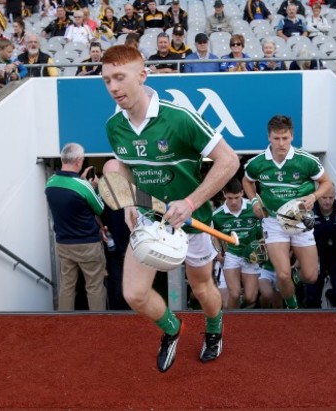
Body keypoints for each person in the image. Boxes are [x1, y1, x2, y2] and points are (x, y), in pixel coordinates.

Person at [100, 44, 239, 372]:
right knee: (134, 294)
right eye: (106, 80)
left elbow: (229, 160)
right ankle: (173, 329)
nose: (113, 87)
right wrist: (128, 203)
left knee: (203, 288)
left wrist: (191, 201)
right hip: (149, 220)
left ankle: (215, 329)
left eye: (119, 77)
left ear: (142, 75)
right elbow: (124, 166)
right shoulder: (113, 126)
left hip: (192, 222)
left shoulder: (179, 118)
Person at [243, 115, 333, 309]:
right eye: (276, 138)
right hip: (273, 221)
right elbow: (247, 181)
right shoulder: (257, 163)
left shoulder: (306, 161)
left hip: (300, 220)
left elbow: (327, 183)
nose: (281, 143)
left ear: (292, 136)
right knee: (282, 274)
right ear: (269, 137)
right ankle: (292, 308)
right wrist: (253, 201)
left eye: (285, 138)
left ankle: (294, 278)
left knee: (310, 276)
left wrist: (314, 197)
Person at [45, 143, 108, 311]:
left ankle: (64, 324)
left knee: (67, 286)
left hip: (64, 244)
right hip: (88, 244)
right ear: (79, 161)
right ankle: (98, 325)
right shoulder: (84, 186)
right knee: (94, 287)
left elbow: (70, 192)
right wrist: (94, 188)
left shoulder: (50, 183)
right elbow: (99, 208)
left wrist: (81, 182)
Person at [304, 184, 336, 309]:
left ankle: (329, 296)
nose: (328, 201)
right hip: (316, 257)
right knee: (312, 299)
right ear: (318, 196)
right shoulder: (309, 213)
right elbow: (301, 235)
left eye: (331, 198)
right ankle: (317, 324)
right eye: (324, 198)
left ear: (335, 196)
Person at [211, 179, 262, 309]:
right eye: (230, 198)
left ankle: (240, 315)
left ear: (242, 193)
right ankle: (231, 324)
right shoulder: (217, 215)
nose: (233, 201)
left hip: (251, 255)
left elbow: (266, 229)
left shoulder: (254, 208)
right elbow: (214, 235)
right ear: (224, 195)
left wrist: (262, 244)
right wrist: (218, 252)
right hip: (231, 255)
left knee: (250, 298)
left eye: (237, 197)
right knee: (234, 294)